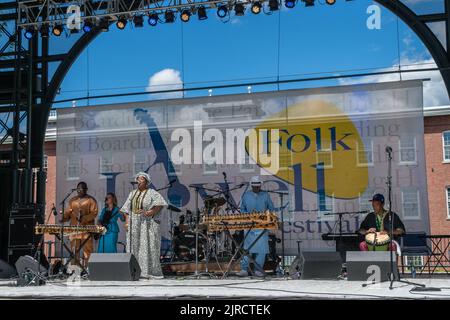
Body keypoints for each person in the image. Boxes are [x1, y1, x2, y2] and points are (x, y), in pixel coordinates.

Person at [120, 172, 167, 279]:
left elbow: (160, 204)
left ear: (147, 182)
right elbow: (126, 209)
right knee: (134, 246)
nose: (139, 181)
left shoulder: (152, 192)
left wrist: (150, 212)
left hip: (147, 223)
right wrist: (127, 222)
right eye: (138, 179)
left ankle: (146, 271)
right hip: (134, 223)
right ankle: (133, 270)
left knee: (146, 246)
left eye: (142, 179)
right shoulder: (132, 194)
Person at [236, 176, 274, 277]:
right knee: (247, 248)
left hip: (262, 225)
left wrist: (267, 217)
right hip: (249, 226)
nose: (256, 188)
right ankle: (244, 269)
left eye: (258, 186)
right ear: (251, 185)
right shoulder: (246, 195)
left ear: (260, 185)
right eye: (254, 186)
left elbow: (271, 208)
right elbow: (242, 209)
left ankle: (258, 269)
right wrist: (247, 215)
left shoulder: (265, 195)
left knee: (261, 250)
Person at [62, 181, 98, 269]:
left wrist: (84, 218)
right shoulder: (72, 200)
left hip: (86, 229)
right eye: (78, 189)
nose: (79, 190)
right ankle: (75, 270)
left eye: (81, 188)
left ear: (86, 189)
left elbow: (94, 213)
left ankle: (88, 269)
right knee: (74, 250)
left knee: (87, 250)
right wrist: (64, 217)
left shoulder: (91, 200)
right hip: (74, 229)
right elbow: (68, 212)